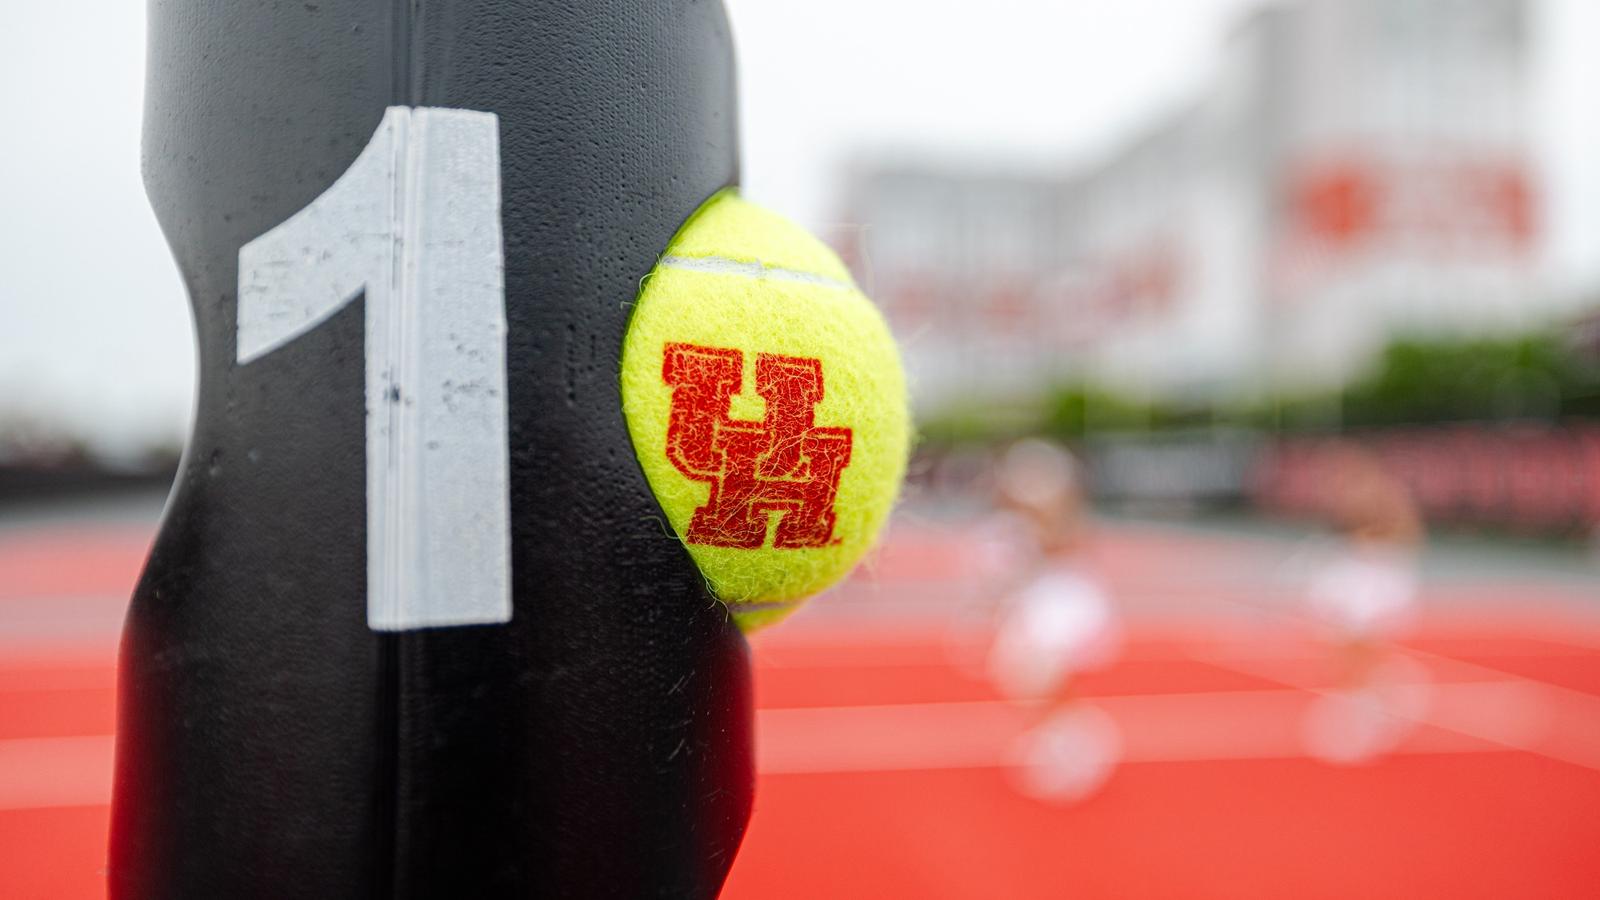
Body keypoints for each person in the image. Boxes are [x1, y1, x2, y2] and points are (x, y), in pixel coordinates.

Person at [981, 439, 1123, 802]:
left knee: (1040, 675)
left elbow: (1063, 553)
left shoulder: (1059, 521)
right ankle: (1062, 732)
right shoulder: (1017, 523)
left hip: (1063, 602)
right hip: (1045, 599)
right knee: (1023, 678)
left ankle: (1077, 737)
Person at [1299, 442, 1432, 764]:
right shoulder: (1345, 501)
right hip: (1355, 576)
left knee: (1363, 647)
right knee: (1343, 647)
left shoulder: (1388, 497)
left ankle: (1371, 707)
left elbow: (1408, 535)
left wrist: (1373, 544)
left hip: (1376, 579)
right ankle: (1376, 696)